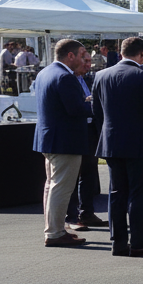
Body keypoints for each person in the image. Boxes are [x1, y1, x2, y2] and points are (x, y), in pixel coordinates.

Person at [92, 36, 143, 256]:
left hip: (111, 142)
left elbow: (97, 112)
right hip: (139, 143)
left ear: (120, 51)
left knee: (116, 193)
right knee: (139, 193)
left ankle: (117, 242)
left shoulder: (101, 75)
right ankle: (139, 241)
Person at [33, 39, 93, 248]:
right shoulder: (65, 77)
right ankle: (56, 233)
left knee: (51, 186)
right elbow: (75, 109)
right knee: (60, 187)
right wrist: (93, 104)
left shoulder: (45, 72)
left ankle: (55, 228)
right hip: (65, 140)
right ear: (70, 55)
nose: (84, 57)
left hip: (49, 138)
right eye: (82, 53)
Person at [65, 43, 106, 232]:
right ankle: (71, 216)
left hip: (91, 132)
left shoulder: (92, 79)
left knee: (89, 174)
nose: (88, 64)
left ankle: (87, 213)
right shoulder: (67, 80)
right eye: (85, 60)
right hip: (74, 133)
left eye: (90, 61)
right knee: (73, 176)